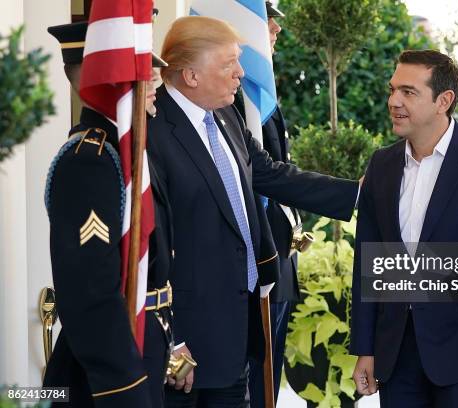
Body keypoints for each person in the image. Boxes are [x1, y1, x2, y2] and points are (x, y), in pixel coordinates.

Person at [146, 16, 359, 408]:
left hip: (239, 332)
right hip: (186, 352)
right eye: (229, 64)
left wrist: (361, 194)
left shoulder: (225, 115)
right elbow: (150, 249)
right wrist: (170, 341)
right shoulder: (151, 133)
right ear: (191, 75)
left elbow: (272, 175)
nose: (241, 73)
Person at [350, 50, 458, 407]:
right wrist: (365, 348)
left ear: (443, 100)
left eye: (408, 92)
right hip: (396, 353)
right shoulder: (382, 165)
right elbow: (370, 263)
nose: (394, 101)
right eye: (392, 89)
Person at [44, 21, 174, 408]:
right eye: (140, 70)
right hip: (110, 374)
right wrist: (125, 386)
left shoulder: (130, 154)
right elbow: (91, 292)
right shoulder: (92, 162)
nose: (155, 80)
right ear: (104, 80)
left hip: (147, 343)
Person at [231, 3, 303, 406]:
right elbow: (266, 174)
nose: (273, 27)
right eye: (264, 16)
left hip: (279, 251)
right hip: (256, 258)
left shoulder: (258, 91)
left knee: (268, 382)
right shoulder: (233, 99)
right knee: (254, 385)